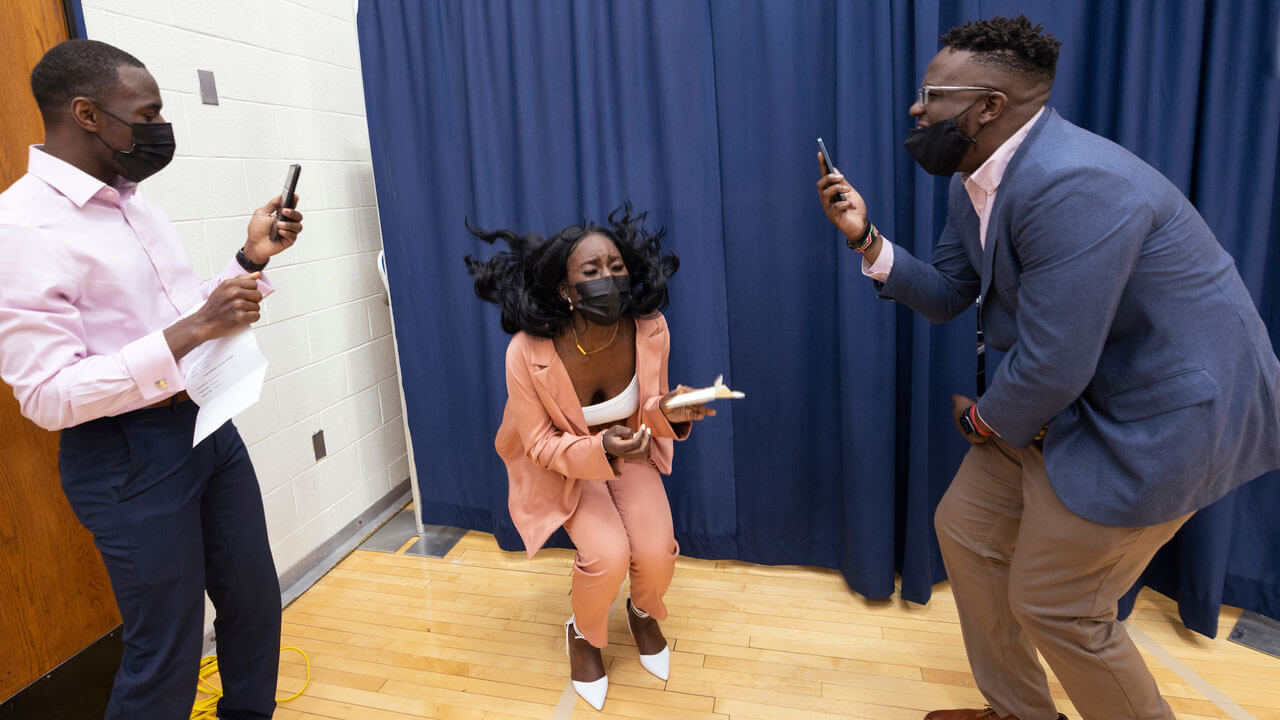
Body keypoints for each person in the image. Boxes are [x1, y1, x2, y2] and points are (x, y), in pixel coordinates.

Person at [817, 15, 1280, 720]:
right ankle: (1020, 713)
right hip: (1070, 399)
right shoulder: (975, 177)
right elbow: (948, 295)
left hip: (1165, 421)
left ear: (989, 107)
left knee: (1060, 608)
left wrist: (983, 419)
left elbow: (1055, 361)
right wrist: (867, 238)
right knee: (967, 534)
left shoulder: (1075, 183)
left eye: (932, 93)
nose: (917, 108)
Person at [0, 40, 304, 720]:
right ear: (86, 113)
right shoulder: (19, 228)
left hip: (206, 425)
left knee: (255, 602)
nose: (159, 128)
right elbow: (46, 396)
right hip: (125, 457)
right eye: (149, 113)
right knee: (165, 653)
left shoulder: (134, 203)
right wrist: (191, 331)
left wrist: (248, 259)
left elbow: (180, 312)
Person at [465, 206, 715, 711]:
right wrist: (600, 448)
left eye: (616, 266)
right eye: (592, 271)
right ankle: (584, 634)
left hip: (630, 455)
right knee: (605, 555)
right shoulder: (526, 351)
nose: (609, 277)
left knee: (656, 549)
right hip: (565, 466)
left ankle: (643, 612)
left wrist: (670, 409)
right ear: (566, 290)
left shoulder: (650, 328)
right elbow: (537, 444)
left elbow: (648, 408)